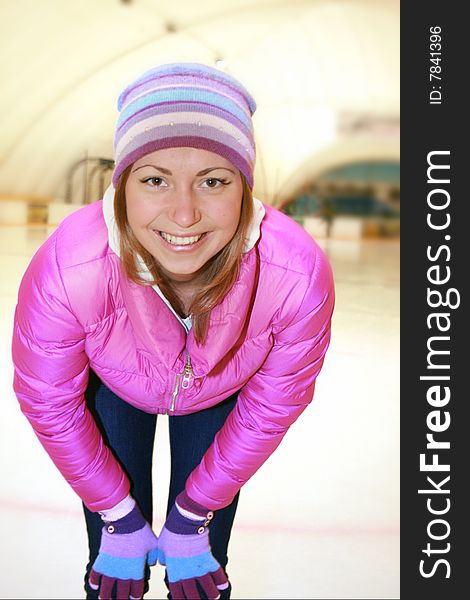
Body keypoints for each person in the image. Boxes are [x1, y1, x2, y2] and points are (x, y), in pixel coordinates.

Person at [11, 62, 335, 600]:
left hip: (220, 390)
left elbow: (273, 404)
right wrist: (115, 515)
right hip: (115, 385)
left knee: (200, 567)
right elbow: (49, 401)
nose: (184, 215)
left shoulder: (295, 276)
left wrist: (193, 516)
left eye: (213, 181)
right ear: (122, 185)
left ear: (246, 189)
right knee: (115, 563)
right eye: (155, 179)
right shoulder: (70, 267)